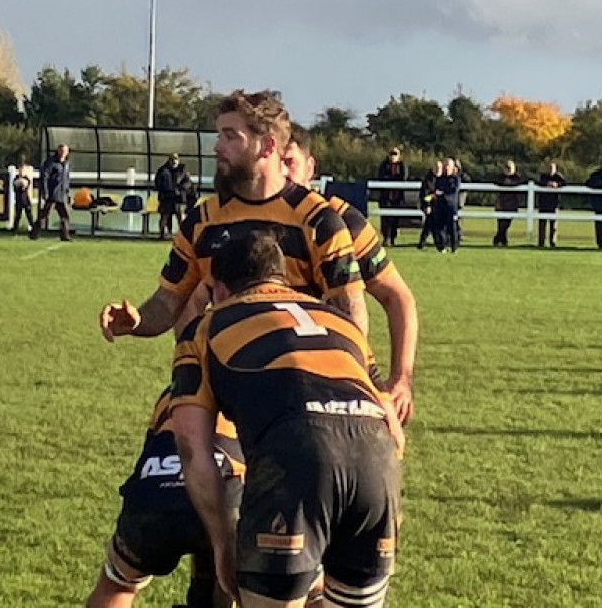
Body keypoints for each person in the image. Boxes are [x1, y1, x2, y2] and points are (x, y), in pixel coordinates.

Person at [169, 231, 403, 608]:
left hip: (296, 453)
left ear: (221, 289)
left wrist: (223, 542)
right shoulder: (337, 320)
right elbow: (388, 417)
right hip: (376, 459)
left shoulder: (207, 326)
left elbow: (191, 446)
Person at [99, 89, 367, 343]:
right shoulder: (203, 220)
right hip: (229, 375)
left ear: (266, 146)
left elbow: (349, 311)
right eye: (219, 136)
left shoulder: (318, 220)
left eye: (230, 137)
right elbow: (168, 301)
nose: (218, 147)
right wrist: (137, 321)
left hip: (294, 379)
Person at [283, 125, 418, 425]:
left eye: (290, 162)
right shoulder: (246, 221)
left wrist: (401, 378)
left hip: (339, 375)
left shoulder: (342, 221)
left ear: (310, 167)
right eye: (276, 162)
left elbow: (397, 297)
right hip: (267, 375)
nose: (283, 173)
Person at [84, 387, 243, 608]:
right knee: (291, 585)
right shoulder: (252, 384)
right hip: (226, 492)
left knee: (117, 585)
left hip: (156, 491)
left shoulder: (174, 391)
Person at [29, 143, 72, 242]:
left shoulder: (66, 164)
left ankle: (65, 236)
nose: (63, 153)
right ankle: (34, 234)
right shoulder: (51, 163)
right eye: (61, 151)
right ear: (58, 151)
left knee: (65, 216)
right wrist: (45, 192)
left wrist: (67, 192)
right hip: (53, 194)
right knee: (44, 215)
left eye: (65, 151)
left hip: (62, 195)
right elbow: (45, 177)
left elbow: (66, 179)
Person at [492, 160, 526, 247]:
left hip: (512, 205)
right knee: (501, 224)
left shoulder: (517, 178)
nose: (508, 170)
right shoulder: (500, 178)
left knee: (506, 224)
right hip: (501, 204)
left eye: (510, 168)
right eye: (507, 168)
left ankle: (498, 239)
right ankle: (502, 241)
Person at [377, 148, 406, 246]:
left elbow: (404, 177)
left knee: (395, 219)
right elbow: (381, 177)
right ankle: (386, 237)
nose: (393, 156)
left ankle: (393, 238)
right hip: (386, 196)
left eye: (395, 154)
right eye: (391, 154)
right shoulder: (384, 165)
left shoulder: (402, 165)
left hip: (397, 196)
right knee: (385, 218)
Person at [433, 158, 461, 253]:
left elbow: (453, 192)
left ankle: (454, 247)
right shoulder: (439, 178)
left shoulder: (456, 179)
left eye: (448, 166)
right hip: (440, 207)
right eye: (445, 166)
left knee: (452, 228)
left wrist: (442, 194)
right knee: (439, 227)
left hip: (451, 207)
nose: (446, 168)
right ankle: (441, 247)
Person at [537, 162, 566, 248]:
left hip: (554, 204)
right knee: (542, 225)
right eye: (549, 168)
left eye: (552, 168)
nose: (550, 170)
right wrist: (547, 184)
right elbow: (539, 182)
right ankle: (541, 242)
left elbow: (564, 183)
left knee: (553, 226)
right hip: (543, 204)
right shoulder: (543, 177)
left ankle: (552, 242)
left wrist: (557, 184)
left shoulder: (558, 177)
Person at [154, 153, 181, 239]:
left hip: (177, 198)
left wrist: (180, 191)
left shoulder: (182, 171)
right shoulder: (162, 171)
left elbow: (187, 183)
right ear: (168, 160)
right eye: (172, 159)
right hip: (166, 197)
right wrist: (165, 190)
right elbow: (158, 184)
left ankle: (183, 234)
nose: (174, 161)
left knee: (180, 216)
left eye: (175, 159)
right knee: (164, 216)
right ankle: (162, 233)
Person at [417, 161, 442, 250]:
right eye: (437, 168)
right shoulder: (428, 180)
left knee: (429, 226)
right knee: (432, 225)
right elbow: (425, 194)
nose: (439, 170)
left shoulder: (441, 179)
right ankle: (439, 245)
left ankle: (422, 244)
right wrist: (427, 205)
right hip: (430, 206)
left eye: (440, 168)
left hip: (438, 206)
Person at [12, 162, 35, 234]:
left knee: (29, 215)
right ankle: (15, 230)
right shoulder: (15, 178)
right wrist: (20, 183)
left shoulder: (26, 178)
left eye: (23, 170)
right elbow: (16, 185)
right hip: (19, 200)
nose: (21, 172)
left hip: (26, 200)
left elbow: (26, 183)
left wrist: (22, 183)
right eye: (20, 170)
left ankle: (33, 229)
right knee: (17, 216)